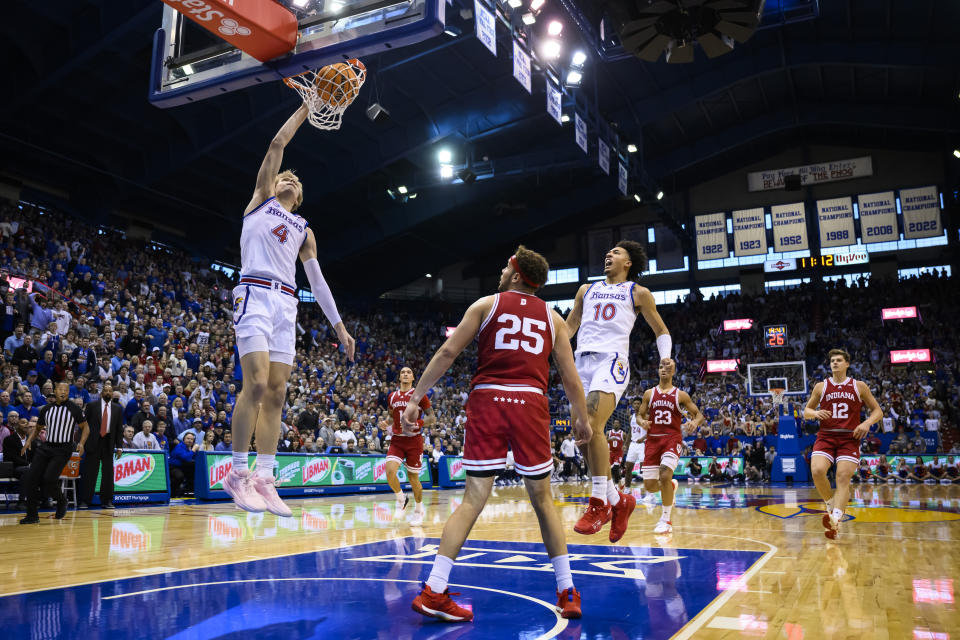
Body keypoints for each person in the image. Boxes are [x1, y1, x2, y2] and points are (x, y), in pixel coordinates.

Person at [406, 246, 591, 622]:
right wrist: (581, 417)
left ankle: (435, 588)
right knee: (542, 499)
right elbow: (570, 377)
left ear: (518, 274)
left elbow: (446, 354)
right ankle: (567, 590)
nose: (501, 272)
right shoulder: (553, 319)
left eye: (506, 267)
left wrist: (415, 398)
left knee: (473, 498)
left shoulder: (485, 304)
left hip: (488, 398)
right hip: (530, 402)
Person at [222, 102, 355, 518]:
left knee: (278, 393)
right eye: (286, 176)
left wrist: (339, 327)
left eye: (296, 182)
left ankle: (264, 476)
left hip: (287, 303)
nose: (291, 180)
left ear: (300, 198)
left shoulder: (304, 230)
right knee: (257, 384)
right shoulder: (261, 201)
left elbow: (317, 281)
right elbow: (278, 142)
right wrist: (307, 106)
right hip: (255, 294)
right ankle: (237, 473)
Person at [565, 241, 669, 539]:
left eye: (616, 252)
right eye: (608, 251)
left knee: (593, 424)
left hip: (611, 361)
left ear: (628, 263)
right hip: (580, 361)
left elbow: (661, 330)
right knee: (582, 435)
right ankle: (619, 501)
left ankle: (599, 502)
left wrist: (665, 356)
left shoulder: (637, 292)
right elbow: (570, 326)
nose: (608, 254)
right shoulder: (586, 289)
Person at [803, 348, 882, 540]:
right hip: (826, 436)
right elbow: (806, 411)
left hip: (849, 438)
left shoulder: (859, 386)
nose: (835, 363)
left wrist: (866, 423)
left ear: (847, 364)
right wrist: (815, 414)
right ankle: (831, 503)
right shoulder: (821, 387)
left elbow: (877, 411)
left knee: (842, 477)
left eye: (839, 360)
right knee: (817, 471)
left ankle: (836, 520)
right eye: (832, 361)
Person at [636, 358, 704, 534]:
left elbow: (698, 414)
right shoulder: (649, 394)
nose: (663, 369)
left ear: (673, 372)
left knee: (665, 474)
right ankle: (671, 486)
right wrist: (642, 422)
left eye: (668, 367)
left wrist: (694, 423)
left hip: (672, 438)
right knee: (650, 486)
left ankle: (665, 520)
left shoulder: (680, 395)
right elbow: (639, 415)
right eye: (660, 367)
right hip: (652, 440)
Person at [19, 382, 88, 523]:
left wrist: (81, 443)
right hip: (46, 447)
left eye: (66, 390)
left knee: (49, 479)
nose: (63, 392)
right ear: (55, 391)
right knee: (31, 478)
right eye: (60, 389)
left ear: (69, 392)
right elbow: (38, 429)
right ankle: (32, 515)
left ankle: (62, 501)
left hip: (63, 449)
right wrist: (28, 441)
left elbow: (86, 428)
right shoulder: (46, 409)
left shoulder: (74, 409)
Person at [385, 366, 436, 526]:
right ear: (399, 377)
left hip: (414, 440)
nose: (405, 374)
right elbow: (391, 416)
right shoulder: (392, 396)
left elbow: (432, 418)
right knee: (390, 471)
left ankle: (419, 509)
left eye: (408, 372)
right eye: (402, 372)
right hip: (397, 440)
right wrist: (386, 422)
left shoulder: (419, 395)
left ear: (413, 377)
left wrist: (419, 423)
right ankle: (402, 499)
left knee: (413, 478)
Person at [79, 381, 123, 509]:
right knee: (90, 473)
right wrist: (82, 443)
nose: (108, 392)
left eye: (110, 391)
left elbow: (119, 429)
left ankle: (107, 500)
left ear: (112, 393)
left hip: (108, 442)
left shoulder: (117, 408)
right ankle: (85, 500)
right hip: (93, 443)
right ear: (101, 393)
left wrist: (119, 446)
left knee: (108, 474)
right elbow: (84, 425)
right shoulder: (92, 406)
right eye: (106, 390)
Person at [623, 399, 647, 490]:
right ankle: (627, 489)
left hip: (643, 444)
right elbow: (630, 432)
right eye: (635, 404)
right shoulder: (631, 417)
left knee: (644, 469)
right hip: (633, 444)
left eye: (638, 404)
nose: (636, 405)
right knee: (628, 468)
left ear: (641, 405)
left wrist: (643, 438)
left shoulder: (646, 416)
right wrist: (626, 444)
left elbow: (652, 430)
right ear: (632, 405)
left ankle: (649, 492)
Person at [170, 432, 200, 497]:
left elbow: (195, 458)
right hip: (173, 467)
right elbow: (186, 458)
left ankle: (188, 491)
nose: (189, 440)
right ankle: (172, 493)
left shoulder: (189, 448)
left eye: (191, 439)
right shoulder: (179, 446)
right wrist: (194, 449)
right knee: (179, 476)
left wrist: (196, 451)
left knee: (195, 470)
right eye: (188, 438)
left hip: (182, 466)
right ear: (184, 439)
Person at [607, 419, 625, 486]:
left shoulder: (623, 433)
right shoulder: (609, 432)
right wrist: (610, 439)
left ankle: (616, 484)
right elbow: (605, 440)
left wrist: (625, 446)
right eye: (615, 423)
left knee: (616, 467)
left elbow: (626, 442)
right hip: (611, 452)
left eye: (617, 423)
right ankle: (620, 478)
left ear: (620, 425)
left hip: (618, 452)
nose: (616, 424)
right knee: (612, 469)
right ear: (613, 424)